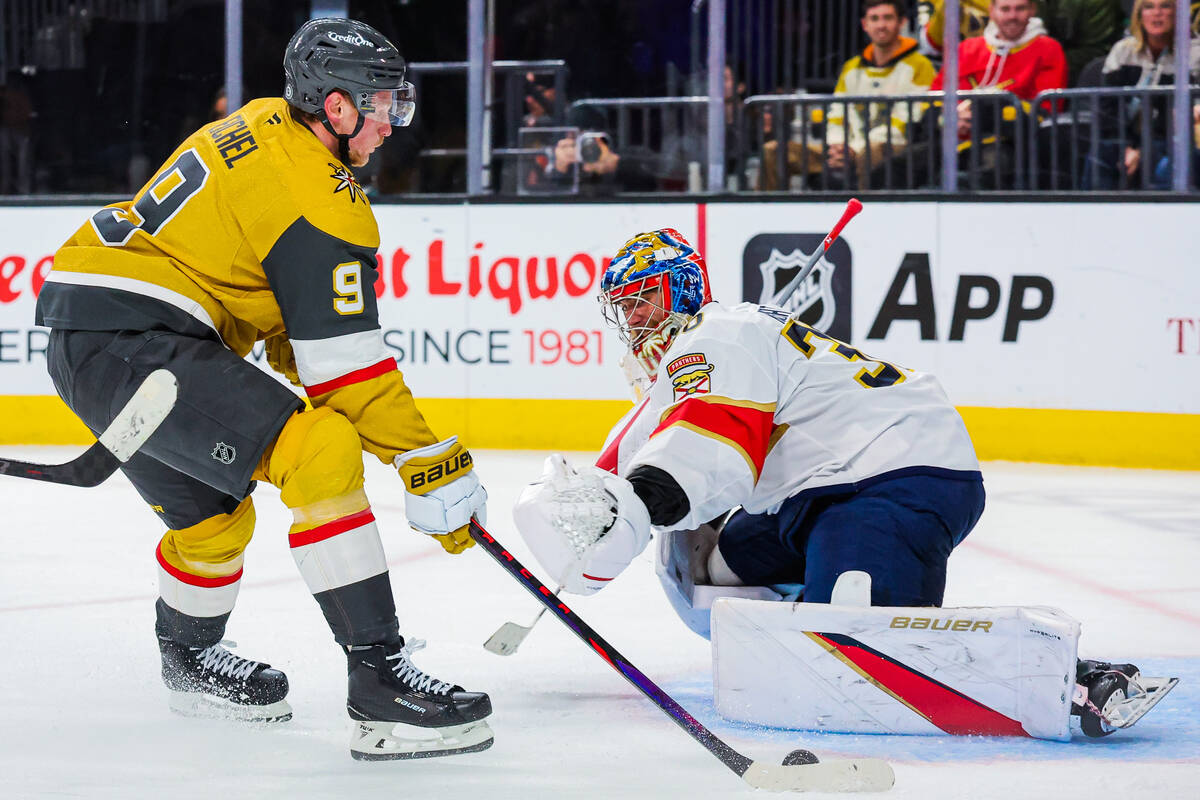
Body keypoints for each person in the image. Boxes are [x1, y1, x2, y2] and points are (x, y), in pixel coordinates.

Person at [33, 18, 492, 762]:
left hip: (87, 336)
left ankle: (189, 663)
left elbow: (289, 326)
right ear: (337, 110)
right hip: (139, 343)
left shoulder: (259, 123)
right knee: (322, 450)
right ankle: (381, 686)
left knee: (214, 519)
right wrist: (430, 460)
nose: (392, 124)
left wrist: (410, 451)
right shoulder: (319, 196)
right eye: (383, 105)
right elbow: (347, 375)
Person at [511, 227, 1176, 740]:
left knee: (857, 658)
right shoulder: (701, 352)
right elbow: (623, 464)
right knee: (716, 562)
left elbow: (712, 447)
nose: (635, 322)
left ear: (682, 290)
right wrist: (581, 529)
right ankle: (827, 598)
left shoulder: (718, 333)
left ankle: (1073, 681)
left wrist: (632, 504)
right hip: (814, 495)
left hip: (892, 477)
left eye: (644, 301)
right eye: (623, 309)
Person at [761, 0, 936, 190]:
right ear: (864, 24)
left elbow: (908, 118)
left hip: (893, 149)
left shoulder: (921, 66)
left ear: (901, 22)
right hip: (847, 148)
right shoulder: (851, 67)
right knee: (774, 151)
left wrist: (856, 148)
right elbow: (836, 114)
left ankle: (862, 217)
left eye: (888, 18)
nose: (881, 25)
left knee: (871, 152)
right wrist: (838, 145)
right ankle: (762, 217)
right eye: (874, 19)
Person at [1090, 0, 1200, 188]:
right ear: (1139, 15)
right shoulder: (1123, 51)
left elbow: (1179, 114)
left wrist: (1141, 151)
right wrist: (1125, 147)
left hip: (1169, 139)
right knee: (1100, 154)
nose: (1157, 13)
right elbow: (1107, 108)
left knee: (1160, 159)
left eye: (1165, 6)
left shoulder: (1194, 54)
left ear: (1178, 14)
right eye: (1149, 7)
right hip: (1124, 137)